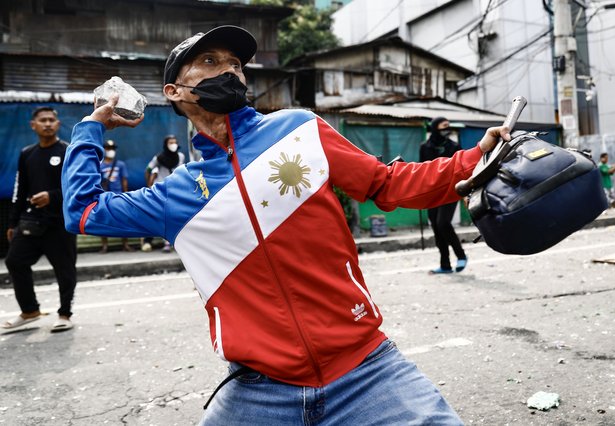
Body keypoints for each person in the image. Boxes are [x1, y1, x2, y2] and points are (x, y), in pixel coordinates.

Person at [61, 26, 510, 424]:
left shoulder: (300, 129)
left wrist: (476, 159)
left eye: (236, 63)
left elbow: (388, 184)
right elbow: (81, 211)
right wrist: (91, 126)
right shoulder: (175, 194)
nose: (231, 70)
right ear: (175, 91)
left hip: (366, 370)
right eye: (210, 62)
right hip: (258, 392)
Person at [2, 106, 77, 332]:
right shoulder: (27, 153)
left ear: (58, 124)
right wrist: (13, 222)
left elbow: (77, 187)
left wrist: (52, 196)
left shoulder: (67, 151)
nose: (47, 123)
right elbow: (19, 189)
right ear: (33, 125)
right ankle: (29, 311)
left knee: (64, 269)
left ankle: (64, 314)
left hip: (61, 223)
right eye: (42, 120)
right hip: (31, 222)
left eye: (51, 120)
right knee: (14, 261)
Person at [420, 117, 468, 274]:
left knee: (443, 223)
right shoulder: (425, 147)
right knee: (435, 226)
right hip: (432, 192)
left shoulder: (454, 146)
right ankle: (445, 264)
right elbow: (421, 170)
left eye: (448, 126)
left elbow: (461, 168)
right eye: (443, 126)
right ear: (435, 128)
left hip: (450, 190)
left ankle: (461, 256)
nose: (447, 129)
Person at [141, 134, 185, 252]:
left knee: (173, 216)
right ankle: (147, 240)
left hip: (175, 190)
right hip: (161, 190)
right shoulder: (159, 158)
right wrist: (148, 185)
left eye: (175, 142)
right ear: (166, 144)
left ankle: (169, 242)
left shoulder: (180, 157)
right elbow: (148, 170)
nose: (173, 145)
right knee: (157, 215)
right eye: (170, 142)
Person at [99, 139, 134, 253]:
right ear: (104, 150)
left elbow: (124, 180)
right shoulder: (99, 165)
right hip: (104, 197)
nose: (111, 151)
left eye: (112, 149)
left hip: (118, 196)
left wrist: (125, 195)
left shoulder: (120, 164)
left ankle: (125, 244)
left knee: (123, 220)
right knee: (103, 221)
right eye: (108, 149)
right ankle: (105, 245)